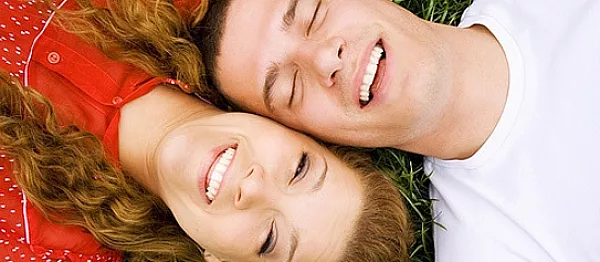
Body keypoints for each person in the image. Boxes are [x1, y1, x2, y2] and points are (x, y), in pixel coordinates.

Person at [0, 0, 412, 261]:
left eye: (269, 240)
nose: (253, 189)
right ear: (298, 130)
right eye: (300, 169)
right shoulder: (176, 9)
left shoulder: (46, 249)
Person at [190, 0, 600, 261]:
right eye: (291, 88)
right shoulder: (493, 248)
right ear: (310, 139)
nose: (323, 58)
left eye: (314, 13)